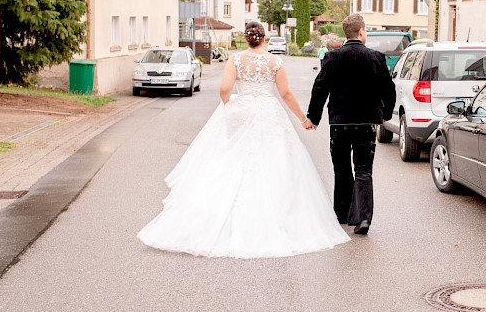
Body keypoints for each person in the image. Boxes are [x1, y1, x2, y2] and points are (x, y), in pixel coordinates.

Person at [138, 22, 349, 258]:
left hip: (243, 110)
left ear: (247, 39)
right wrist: (303, 119)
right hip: (269, 112)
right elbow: (286, 94)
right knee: (275, 161)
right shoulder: (275, 62)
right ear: (264, 38)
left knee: (234, 158)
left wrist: (231, 105)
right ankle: (277, 217)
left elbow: (225, 89)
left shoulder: (235, 60)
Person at [305, 14, 395, 235]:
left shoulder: (332, 57)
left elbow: (320, 88)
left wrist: (313, 117)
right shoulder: (376, 57)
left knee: (342, 169)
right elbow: (389, 90)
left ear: (346, 33)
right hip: (366, 123)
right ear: (362, 32)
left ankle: (343, 215)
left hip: (340, 123)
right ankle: (363, 218)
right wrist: (385, 114)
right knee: (364, 169)